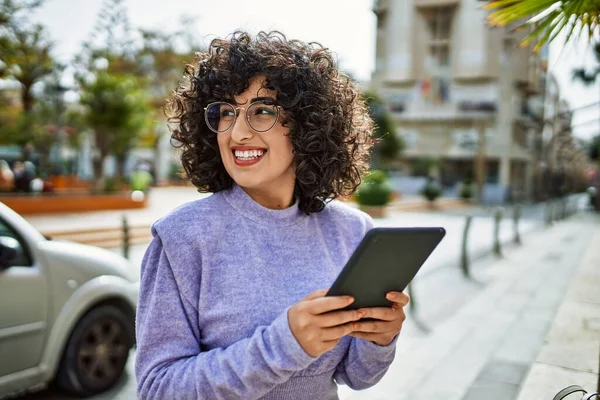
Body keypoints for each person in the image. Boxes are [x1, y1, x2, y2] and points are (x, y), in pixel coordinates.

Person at [135, 31, 409, 400]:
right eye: (226, 112)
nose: (238, 132)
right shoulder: (182, 237)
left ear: (308, 125)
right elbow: (158, 389)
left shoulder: (351, 230)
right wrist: (285, 345)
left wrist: (381, 339)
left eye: (262, 110)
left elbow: (357, 377)